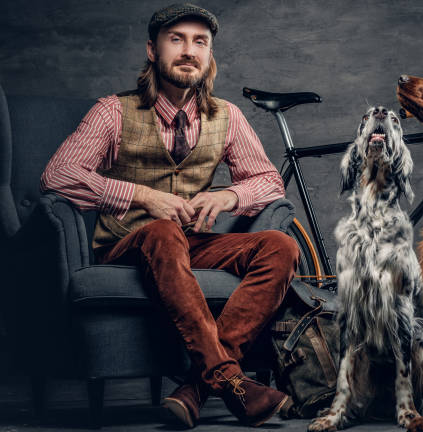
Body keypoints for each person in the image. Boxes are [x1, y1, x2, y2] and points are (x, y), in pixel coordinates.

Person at [40, 3, 299, 428]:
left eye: (200, 42)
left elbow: (269, 181)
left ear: (209, 56)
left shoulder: (227, 116)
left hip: (192, 244)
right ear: (152, 50)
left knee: (280, 246)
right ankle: (230, 380)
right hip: (127, 246)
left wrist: (230, 196)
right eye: (176, 39)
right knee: (162, 230)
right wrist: (140, 195)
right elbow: (57, 175)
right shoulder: (113, 111)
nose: (188, 51)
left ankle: (198, 387)